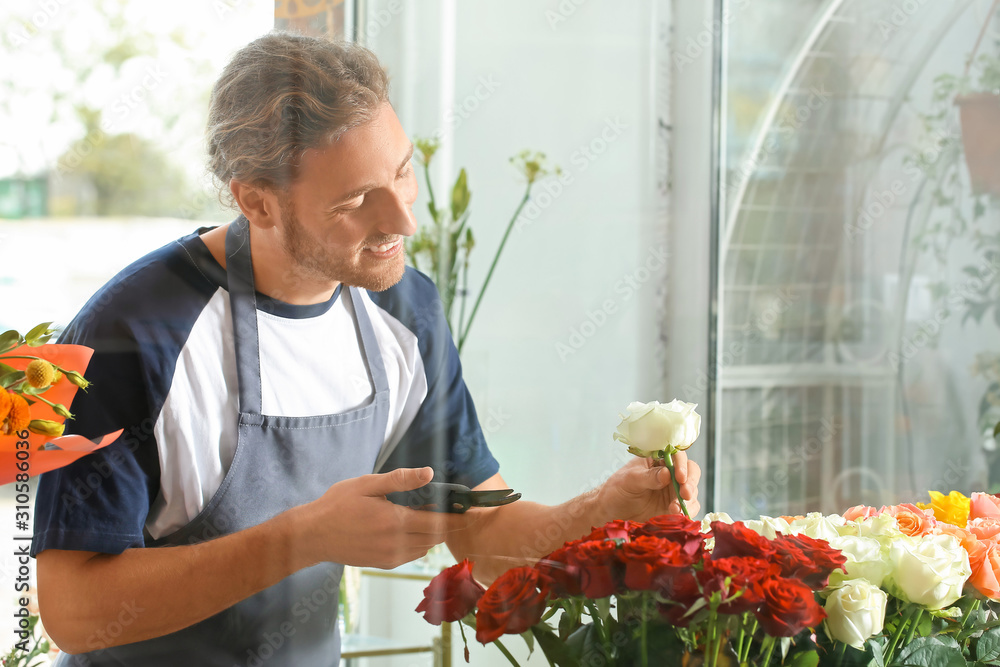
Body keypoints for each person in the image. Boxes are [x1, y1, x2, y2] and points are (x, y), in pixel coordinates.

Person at [29, 32, 701, 666]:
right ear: (257, 202)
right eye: (356, 200)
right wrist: (302, 538)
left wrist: (603, 512)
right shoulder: (129, 337)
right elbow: (73, 608)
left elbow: (481, 531)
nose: (404, 219)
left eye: (403, 172)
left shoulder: (404, 310)